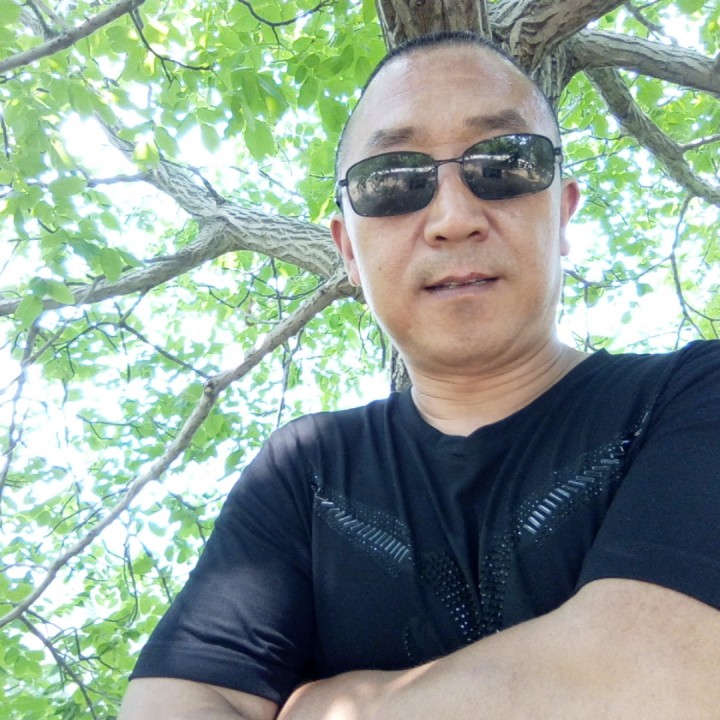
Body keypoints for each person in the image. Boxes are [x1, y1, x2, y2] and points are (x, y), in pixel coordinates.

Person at [118, 32, 720, 720]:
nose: (454, 219)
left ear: (562, 214)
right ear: (348, 251)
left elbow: (660, 686)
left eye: (504, 162)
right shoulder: (304, 472)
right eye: (394, 181)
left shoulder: (697, 395)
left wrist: (322, 707)